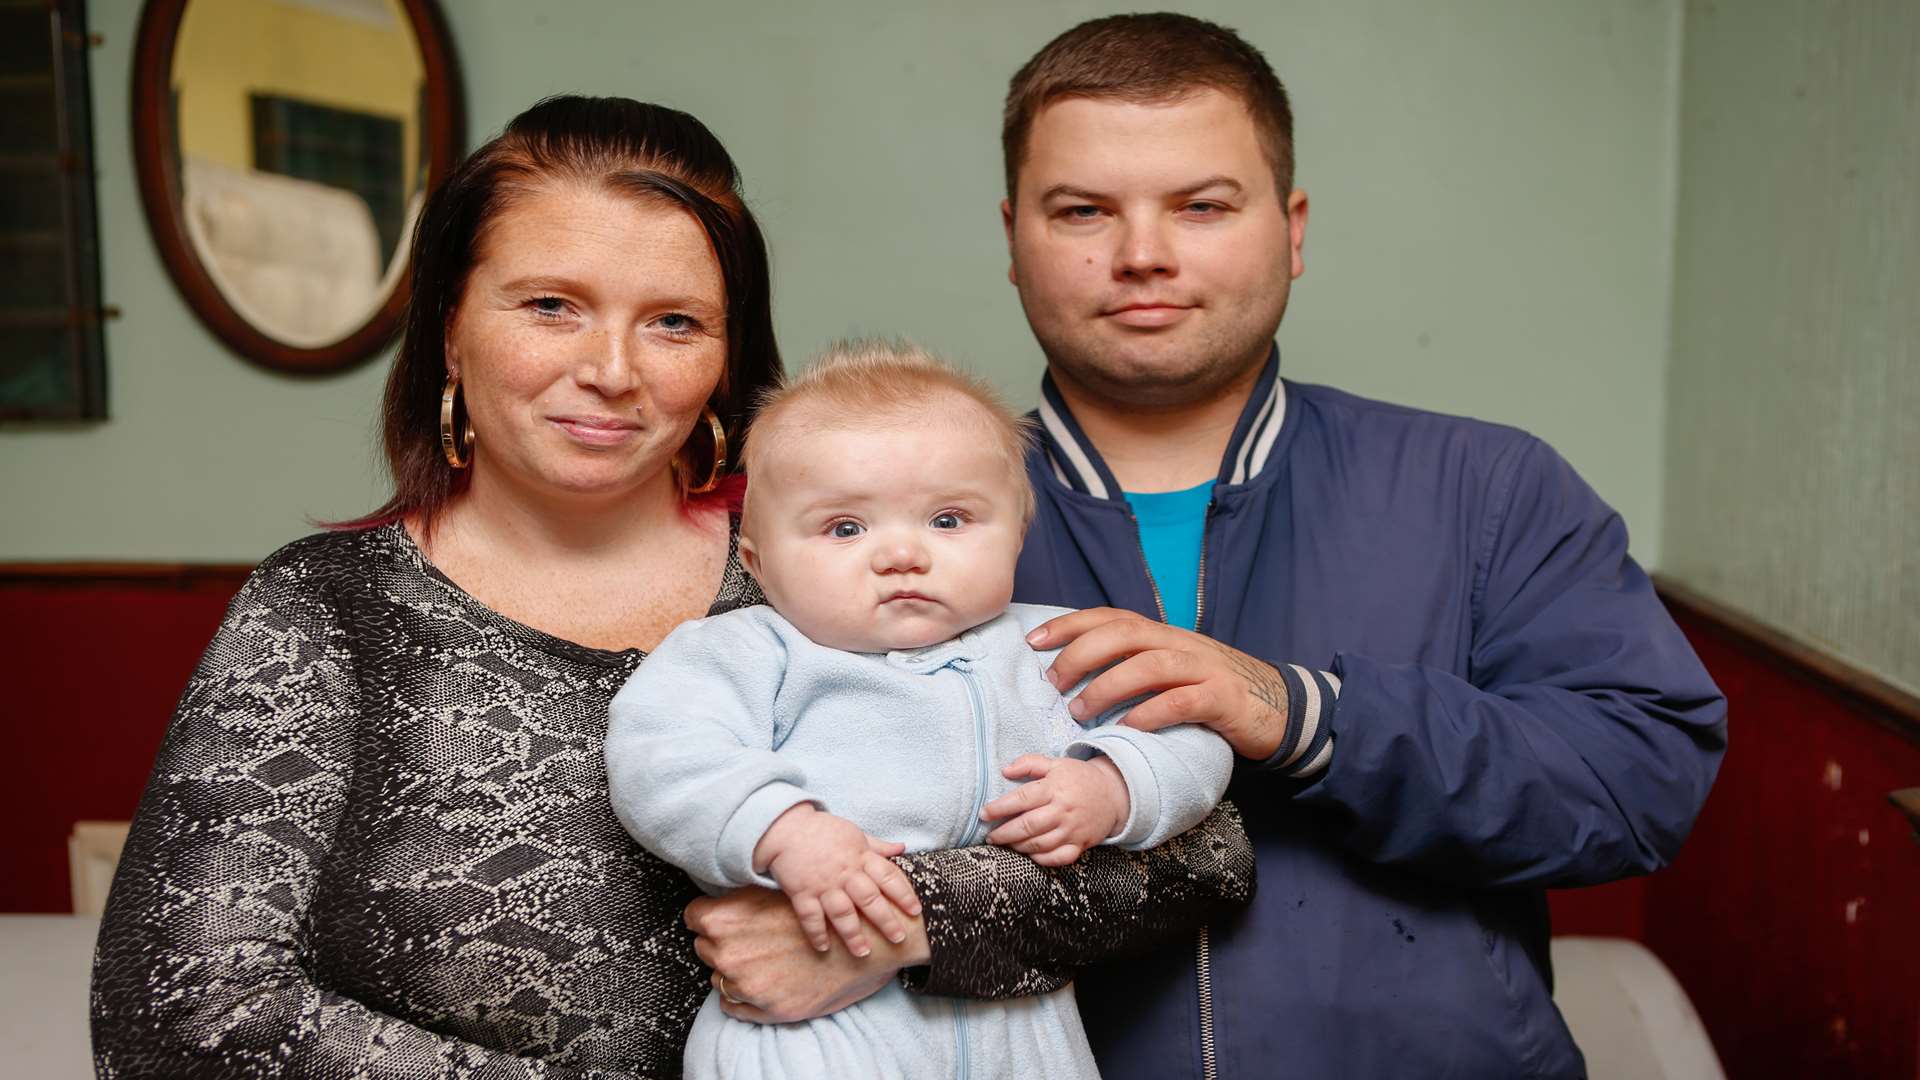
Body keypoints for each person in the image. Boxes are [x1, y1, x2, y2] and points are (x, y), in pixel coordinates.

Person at [89, 96, 1252, 1079]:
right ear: (450, 327)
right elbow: (184, 1007)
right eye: (550, 304)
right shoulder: (331, 608)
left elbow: (1202, 856)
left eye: (675, 323)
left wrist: (891, 931)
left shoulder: (841, 562)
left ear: (725, 362)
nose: (610, 370)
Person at [985, 13, 1727, 1080]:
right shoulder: (883, 528)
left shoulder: (1487, 486)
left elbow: (1638, 783)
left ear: (1291, 228)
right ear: (1015, 237)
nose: (1142, 254)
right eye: (1083, 211)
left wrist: (1303, 715)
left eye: (1202, 206)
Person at [605, 343, 1236, 1080]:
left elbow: (1191, 730)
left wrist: (1113, 784)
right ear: (758, 561)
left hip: (1021, 1022)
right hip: (816, 1035)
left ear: (1017, 533)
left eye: (948, 520)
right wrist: (784, 831)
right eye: (845, 528)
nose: (901, 554)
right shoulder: (745, 652)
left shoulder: (1052, 645)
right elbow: (662, 755)